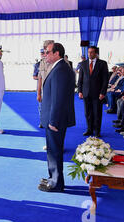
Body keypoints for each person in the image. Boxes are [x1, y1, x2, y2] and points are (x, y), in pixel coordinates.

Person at [38, 42, 75, 193]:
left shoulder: (61, 69)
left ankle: (57, 183)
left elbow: (58, 98)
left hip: (56, 119)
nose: (44, 54)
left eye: (47, 52)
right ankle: (53, 177)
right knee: (53, 150)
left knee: (55, 150)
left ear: (57, 53)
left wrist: (53, 120)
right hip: (54, 118)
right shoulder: (59, 67)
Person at [78, 46, 109, 137]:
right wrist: (80, 91)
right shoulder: (83, 64)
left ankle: (97, 131)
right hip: (86, 92)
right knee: (87, 112)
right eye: (88, 52)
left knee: (97, 113)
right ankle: (89, 129)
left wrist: (103, 92)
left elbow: (105, 80)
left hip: (98, 93)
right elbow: (80, 79)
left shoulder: (102, 63)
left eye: (92, 52)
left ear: (96, 53)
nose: (90, 54)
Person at [36, 40, 55, 128]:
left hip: (55, 92)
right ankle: (43, 122)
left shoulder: (58, 60)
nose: (45, 52)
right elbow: (39, 78)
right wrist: (38, 93)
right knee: (42, 108)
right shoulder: (42, 62)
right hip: (44, 92)